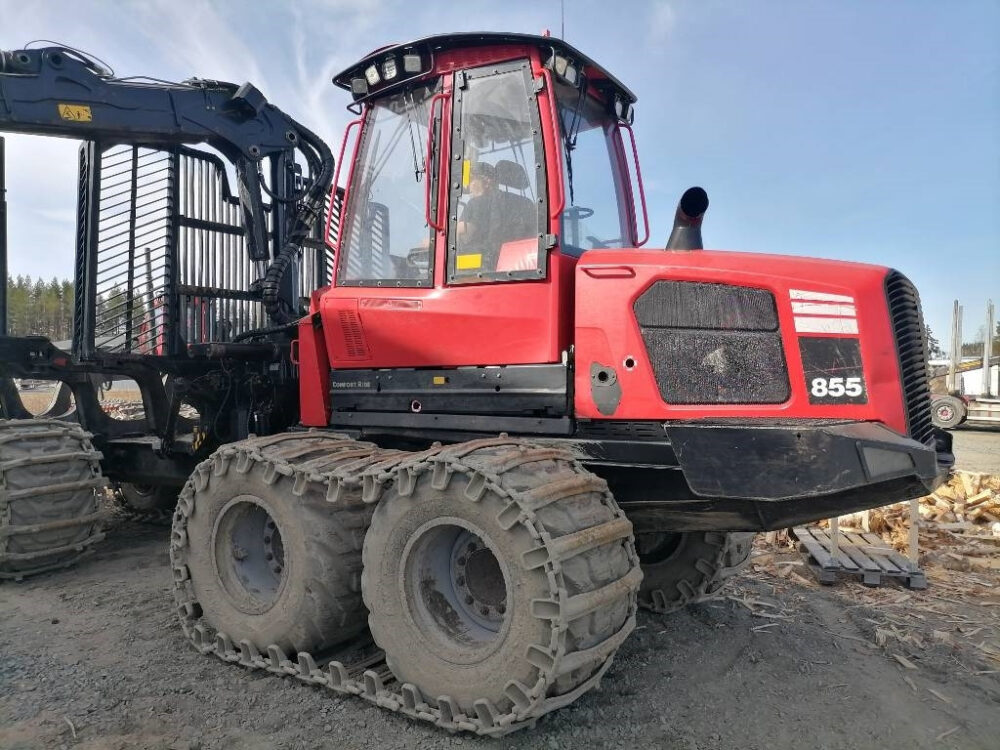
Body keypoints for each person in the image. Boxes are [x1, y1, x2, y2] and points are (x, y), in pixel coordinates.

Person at [456, 161, 535, 271]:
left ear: (487, 181)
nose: (469, 186)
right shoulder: (527, 203)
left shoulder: (476, 203)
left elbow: (466, 232)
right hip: (520, 268)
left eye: (471, 180)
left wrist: (435, 239)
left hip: (481, 269)